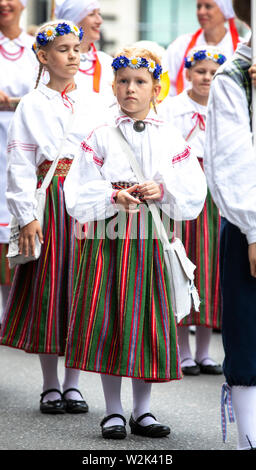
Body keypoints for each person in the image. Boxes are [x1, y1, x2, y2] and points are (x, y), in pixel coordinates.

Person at [63, 46, 207, 439]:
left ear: (155, 89)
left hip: (151, 241)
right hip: (108, 240)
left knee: (145, 322)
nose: (131, 89)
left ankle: (142, 411)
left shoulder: (170, 137)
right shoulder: (101, 135)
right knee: (111, 318)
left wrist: (162, 188)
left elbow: (194, 189)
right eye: (123, 81)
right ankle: (112, 411)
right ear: (113, 86)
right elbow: (76, 190)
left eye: (140, 82)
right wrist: (112, 195)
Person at [0, 19, 105, 415]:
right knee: (49, 284)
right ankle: (49, 384)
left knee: (82, 286)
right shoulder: (31, 104)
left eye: (77, 48)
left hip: (88, 198)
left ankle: (74, 383)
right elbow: (21, 163)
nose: (74, 55)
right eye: (63, 49)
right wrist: (26, 216)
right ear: (43, 57)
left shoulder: (95, 100)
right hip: (50, 199)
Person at [204, 0, 256, 450]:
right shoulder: (233, 76)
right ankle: (249, 438)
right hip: (251, 219)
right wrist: (254, 228)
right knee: (247, 328)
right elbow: (232, 159)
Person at [159, 45, 226, 376]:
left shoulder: (225, 106)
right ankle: (182, 348)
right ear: (187, 73)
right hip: (183, 186)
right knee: (185, 265)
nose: (207, 78)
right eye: (200, 71)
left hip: (213, 188)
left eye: (213, 73)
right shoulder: (173, 109)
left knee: (212, 264)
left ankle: (204, 350)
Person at [0, 0, 37, 324]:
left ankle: (13, 311)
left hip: (22, 145)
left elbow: (46, 94)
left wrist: (11, 102)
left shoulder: (34, 49)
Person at [164, 0, 240, 96]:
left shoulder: (242, 48)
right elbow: (166, 84)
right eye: (199, 7)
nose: (201, 12)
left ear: (224, 11)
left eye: (208, 6)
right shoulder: (180, 45)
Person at [55, 0, 114, 106]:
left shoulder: (107, 62)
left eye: (99, 14)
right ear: (73, 21)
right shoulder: (54, 62)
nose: (99, 20)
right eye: (92, 14)